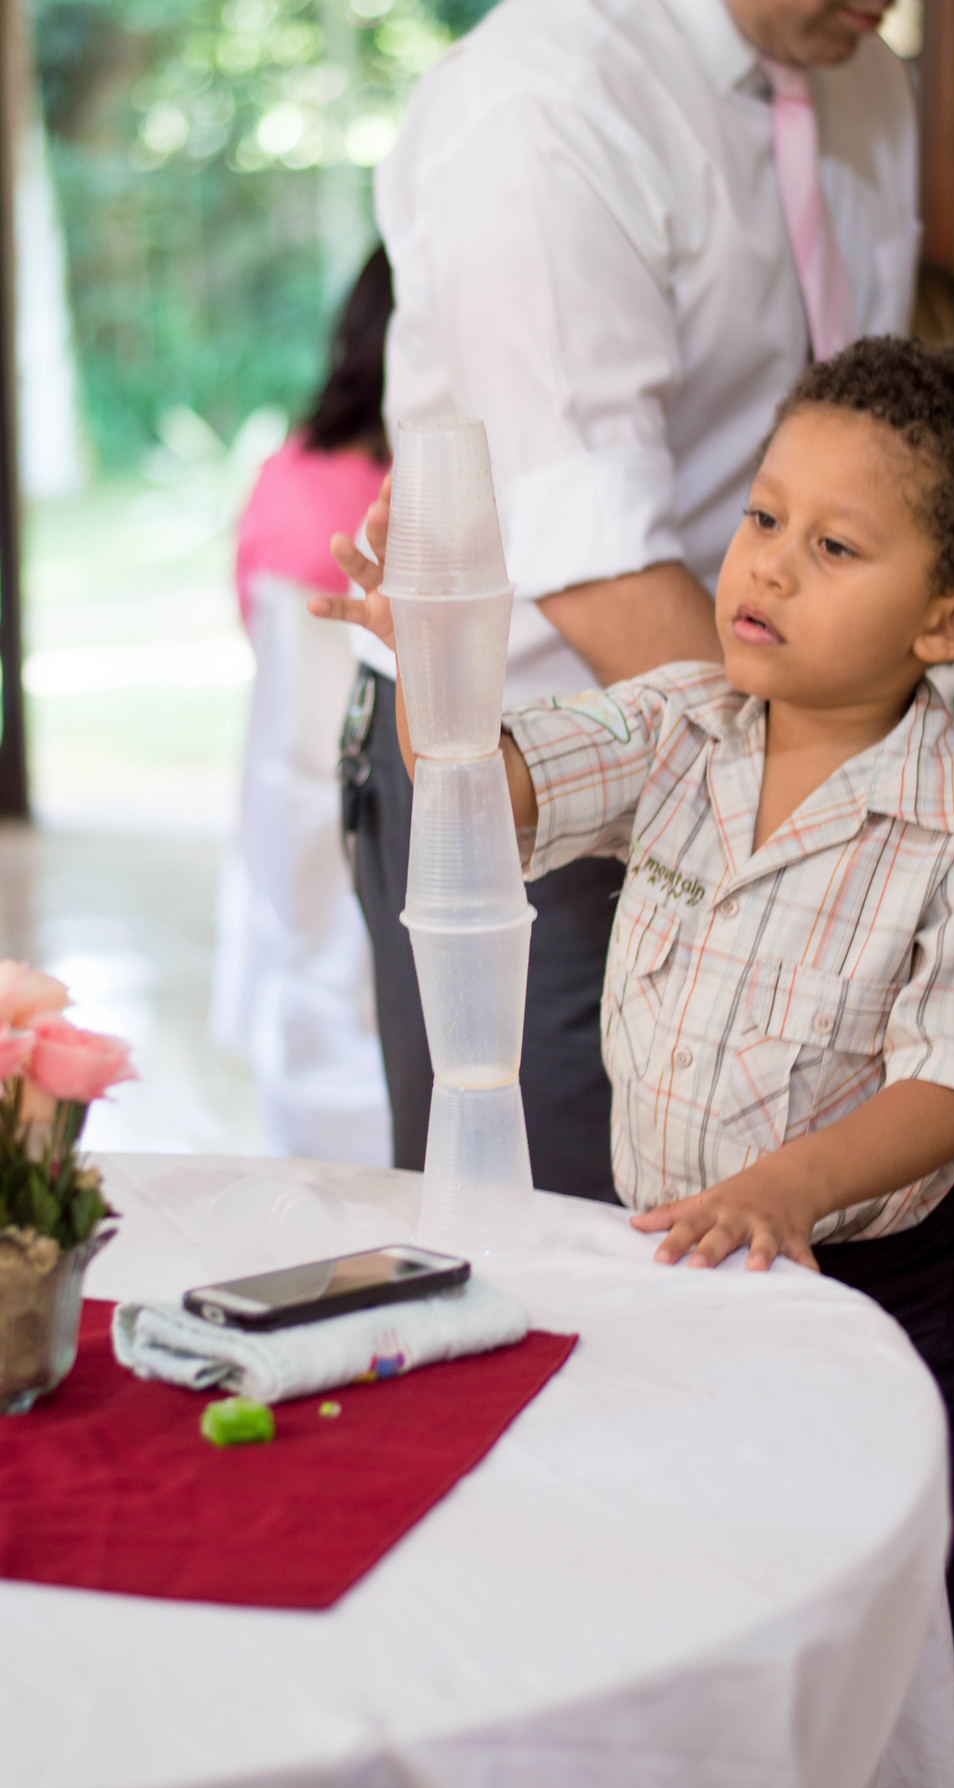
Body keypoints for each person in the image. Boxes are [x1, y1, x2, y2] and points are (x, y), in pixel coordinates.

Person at [317, 336, 954, 1682]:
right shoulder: (680, 722)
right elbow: (491, 795)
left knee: (930, 1610)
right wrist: (436, 666)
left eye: (834, 547)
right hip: (699, 1256)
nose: (770, 565)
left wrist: (796, 1182)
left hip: (889, 1290)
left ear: (949, 624)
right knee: (742, 1543)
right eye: (762, 518)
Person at [343, 0, 922, 1199]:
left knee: (757, 1204)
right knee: (557, 1226)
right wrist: (850, 813)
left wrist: (909, 800)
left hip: (772, 745)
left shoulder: (858, 76)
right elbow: (595, 563)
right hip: (537, 757)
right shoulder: (547, 101)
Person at [210, 248, 393, 1165]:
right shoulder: (408, 498)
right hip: (385, 791)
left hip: (282, 804)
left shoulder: (283, 469)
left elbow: (250, 614)